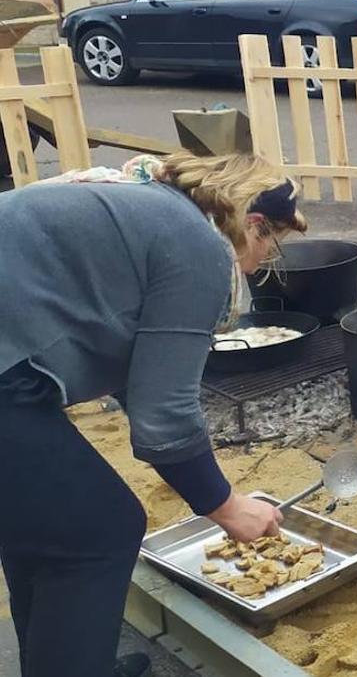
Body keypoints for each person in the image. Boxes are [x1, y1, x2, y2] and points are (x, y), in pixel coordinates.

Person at [0, 152, 308, 677]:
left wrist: (215, 490)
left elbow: (138, 379)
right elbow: (164, 416)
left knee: (49, 531)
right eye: (271, 244)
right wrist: (228, 508)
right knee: (101, 531)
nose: (261, 263)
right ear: (251, 224)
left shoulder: (151, 208)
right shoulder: (199, 246)